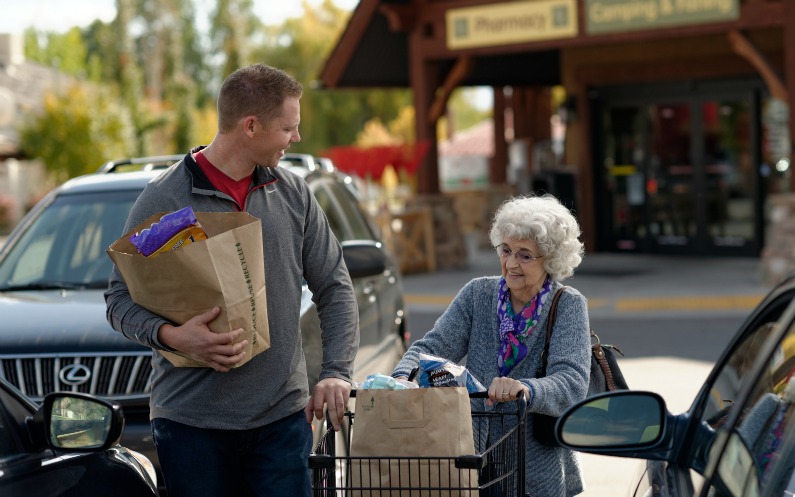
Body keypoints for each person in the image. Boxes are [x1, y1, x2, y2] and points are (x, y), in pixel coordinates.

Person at [105, 63, 359, 497]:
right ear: (251, 126)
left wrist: (336, 372)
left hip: (282, 422)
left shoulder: (293, 192)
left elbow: (335, 286)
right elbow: (118, 300)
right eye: (288, 128)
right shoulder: (168, 199)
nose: (295, 138)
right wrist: (174, 337)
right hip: (191, 428)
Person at [392, 194, 590, 497]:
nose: (510, 263)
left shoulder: (567, 305)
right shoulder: (478, 294)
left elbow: (571, 383)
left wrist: (525, 389)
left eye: (525, 255)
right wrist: (402, 377)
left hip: (536, 466)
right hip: (472, 454)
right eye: (506, 250)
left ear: (550, 259)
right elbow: (431, 347)